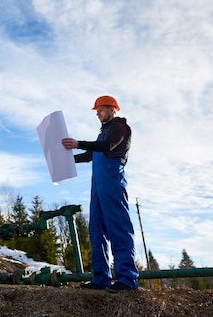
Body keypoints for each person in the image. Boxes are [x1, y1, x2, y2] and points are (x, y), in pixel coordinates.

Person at [62, 95, 139, 292]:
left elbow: (107, 147)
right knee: (96, 230)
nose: (97, 113)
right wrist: (65, 162)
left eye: (101, 109)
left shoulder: (120, 128)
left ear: (113, 109)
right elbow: (91, 155)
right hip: (97, 186)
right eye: (97, 110)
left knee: (117, 227)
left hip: (112, 182)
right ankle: (100, 278)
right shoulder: (102, 132)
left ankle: (127, 279)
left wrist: (78, 143)